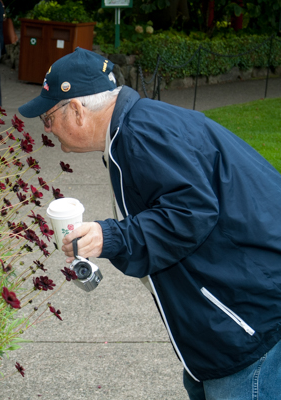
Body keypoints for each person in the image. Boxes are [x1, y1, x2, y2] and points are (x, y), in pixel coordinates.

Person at [18, 47, 281, 399]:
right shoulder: (137, 126)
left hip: (246, 323)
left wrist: (109, 236)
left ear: (77, 110)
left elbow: (191, 213)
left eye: (48, 118)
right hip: (232, 315)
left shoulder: (140, 136)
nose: (47, 129)